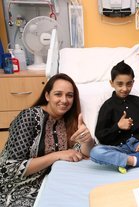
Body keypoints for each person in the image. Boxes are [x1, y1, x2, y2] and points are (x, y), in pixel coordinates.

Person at [0, 73, 94, 207]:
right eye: (58, 94)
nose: (64, 100)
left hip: (49, 182)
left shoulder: (69, 120)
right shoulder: (29, 117)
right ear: (47, 96)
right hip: (16, 186)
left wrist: (88, 141)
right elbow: (10, 168)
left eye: (69, 95)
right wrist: (56, 155)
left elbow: (80, 153)